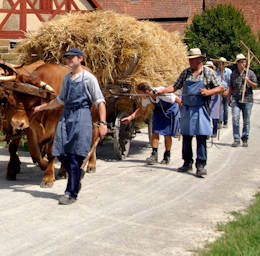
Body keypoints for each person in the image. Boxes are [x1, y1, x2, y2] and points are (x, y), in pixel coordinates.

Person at [33, 48, 108, 205]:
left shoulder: (88, 79)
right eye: (67, 58)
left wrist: (102, 124)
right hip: (66, 116)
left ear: (80, 59)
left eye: (71, 58)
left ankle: (71, 193)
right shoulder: (67, 79)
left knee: (75, 156)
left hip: (82, 116)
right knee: (59, 151)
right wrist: (42, 107)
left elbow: (100, 102)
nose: (68, 60)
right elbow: (60, 100)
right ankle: (77, 175)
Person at [157, 48, 223, 177]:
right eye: (189, 59)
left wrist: (209, 92)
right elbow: (175, 87)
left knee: (201, 136)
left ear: (199, 59)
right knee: (186, 136)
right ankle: (187, 163)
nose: (190, 61)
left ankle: (201, 165)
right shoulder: (186, 73)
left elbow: (221, 87)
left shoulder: (208, 72)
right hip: (187, 108)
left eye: (192, 59)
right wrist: (162, 91)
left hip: (201, 108)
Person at [121, 82, 181, 165]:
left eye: (140, 93)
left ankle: (167, 155)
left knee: (167, 134)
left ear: (146, 91)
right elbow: (141, 110)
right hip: (158, 111)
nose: (140, 96)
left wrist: (182, 115)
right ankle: (154, 155)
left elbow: (179, 100)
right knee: (155, 132)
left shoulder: (163, 93)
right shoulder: (147, 97)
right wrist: (130, 117)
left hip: (170, 110)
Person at [227, 53, 258, 148]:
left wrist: (248, 81)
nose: (243, 64)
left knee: (246, 120)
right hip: (236, 100)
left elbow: (256, 86)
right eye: (241, 62)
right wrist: (229, 98)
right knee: (235, 119)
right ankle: (236, 139)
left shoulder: (250, 73)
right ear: (237, 63)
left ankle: (245, 138)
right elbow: (230, 87)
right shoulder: (233, 74)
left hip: (247, 100)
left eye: (244, 62)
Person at [204, 61, 222, 138]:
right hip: (206, 97)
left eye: (210, 67)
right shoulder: (203, 76)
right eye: (208, 67)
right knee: (206, 115)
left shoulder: (215, 76)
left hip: (215, 97)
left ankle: (214, 131)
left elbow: (219, 87)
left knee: (214, 115)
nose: (209, 69)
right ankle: (207, 132)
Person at [216, 57, 232, 128]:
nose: (220, 65)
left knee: (225, 106)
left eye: (222, 63)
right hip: (218, 91)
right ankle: (220, 121)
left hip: (226, 90)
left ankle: (225, 122)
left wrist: (228, 91)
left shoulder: (228, 72)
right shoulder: (216, 72)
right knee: (219, 107)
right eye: (219, 63)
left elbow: (230, 83)